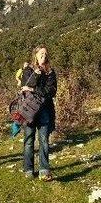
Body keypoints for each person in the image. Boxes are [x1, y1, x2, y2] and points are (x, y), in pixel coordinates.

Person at [20, 45, 57, 181]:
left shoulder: (50, 72)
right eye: (41, 53)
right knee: (29, 140)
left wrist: (34, 90)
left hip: (45, 110)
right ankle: (28, 169)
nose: (44, 56)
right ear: (35, 55)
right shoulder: (28, 70)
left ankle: (44, 170)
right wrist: (36, 74)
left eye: (46, 54)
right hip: (29, 111)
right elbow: (25, 86)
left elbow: (51, 91)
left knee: (44, 140)